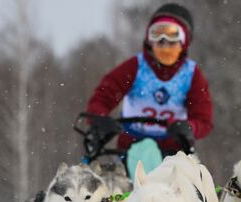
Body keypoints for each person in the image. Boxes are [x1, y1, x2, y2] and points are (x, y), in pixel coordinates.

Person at [85, 3, 213, 158]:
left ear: (184, 41)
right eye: (157, 34)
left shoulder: (192, 75)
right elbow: (103, 96)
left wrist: (190, 128)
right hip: (130, 150)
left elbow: (204, 119)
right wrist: (100, 119)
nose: (164, 43)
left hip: (173, 156)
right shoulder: (135, 67)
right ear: (148, 39)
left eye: (172, 35)